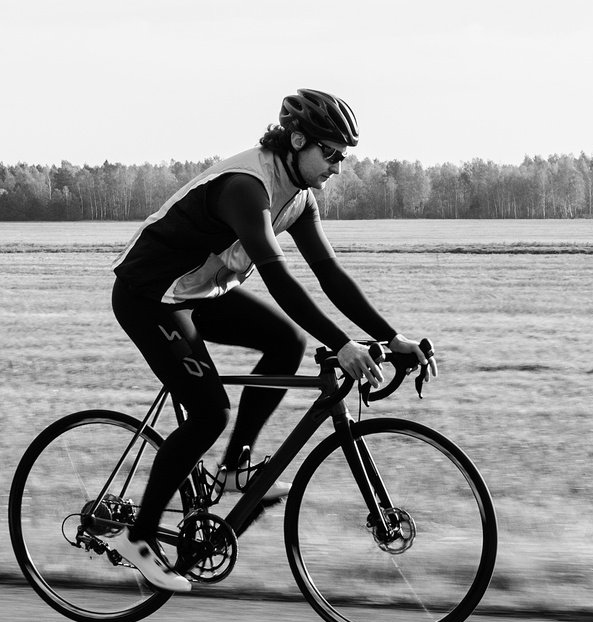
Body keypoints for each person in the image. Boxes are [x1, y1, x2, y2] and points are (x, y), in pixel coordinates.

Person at [107, 89, 425, 593]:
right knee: (209, 412)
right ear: (297, 141)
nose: (337, 167)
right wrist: (343, 344)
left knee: (286, 342)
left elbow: (329, 274)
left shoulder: (298, 198)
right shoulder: (247, 187)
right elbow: (278, 276)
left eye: (343, 157)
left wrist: (393, 337)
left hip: (197, 291)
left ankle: (235, 470)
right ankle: (139, 537)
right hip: (149, 297)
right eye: (332, 153)